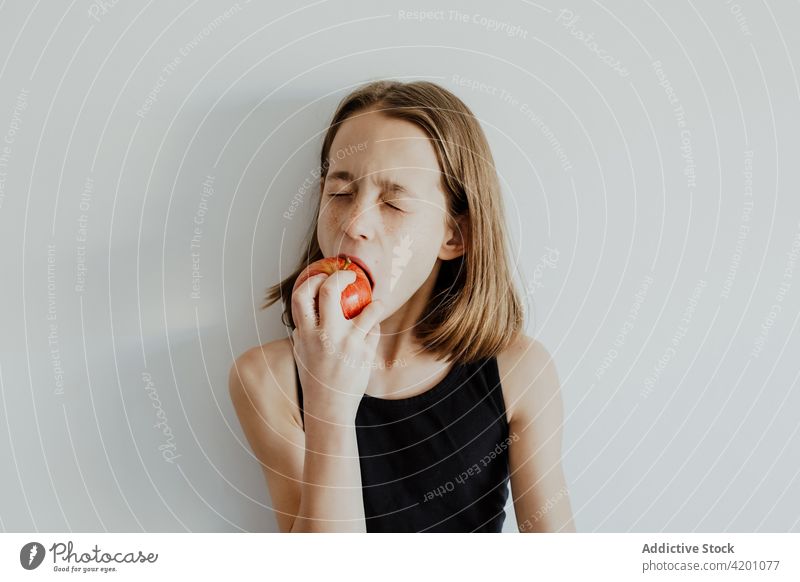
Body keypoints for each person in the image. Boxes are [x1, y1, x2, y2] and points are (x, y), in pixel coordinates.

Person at [229, 79, 575, 533]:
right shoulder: (266, 378)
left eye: (393, 201)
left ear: (455, 235)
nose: (355, 225)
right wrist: (328, 405)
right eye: (340, 193)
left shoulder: (518, 372)